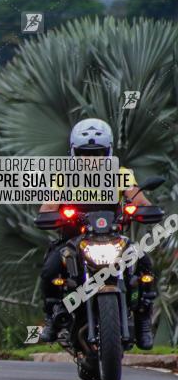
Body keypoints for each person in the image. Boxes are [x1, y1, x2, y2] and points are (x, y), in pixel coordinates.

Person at [37, 118, 156, 349]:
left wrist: (146, 210)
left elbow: (140, 200)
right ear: (74, 152)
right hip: (73, 240)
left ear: (108, 151)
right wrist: (50, 214)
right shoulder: (64, 176)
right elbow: (48, 207)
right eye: (84, 153)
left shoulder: (120, 174)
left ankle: (142, 320)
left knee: (144, 262)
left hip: (113, 237)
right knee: (51, 266)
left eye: (98, 152)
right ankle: (53, 317)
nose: (91, 159)